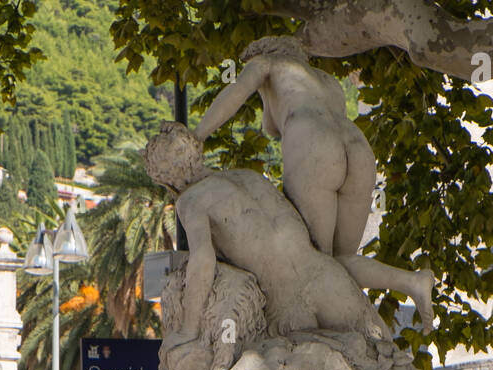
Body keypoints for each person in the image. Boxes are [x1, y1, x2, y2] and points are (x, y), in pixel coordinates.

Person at [193, 37, 435, 328]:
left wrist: (196, 137)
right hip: (357, 147)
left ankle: (345, 326)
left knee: (313, 261)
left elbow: (237, 96)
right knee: (339, 259)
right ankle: (412, 281)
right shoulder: (326, 80)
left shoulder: (266, 64)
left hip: (314, 145)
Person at [144, 122, 393, 350]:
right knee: (389, 361)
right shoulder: (247, 176)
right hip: (328, 277)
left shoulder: (191, 201)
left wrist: (189, 328)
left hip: (288, 306)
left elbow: (203, 261)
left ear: (168, 181)